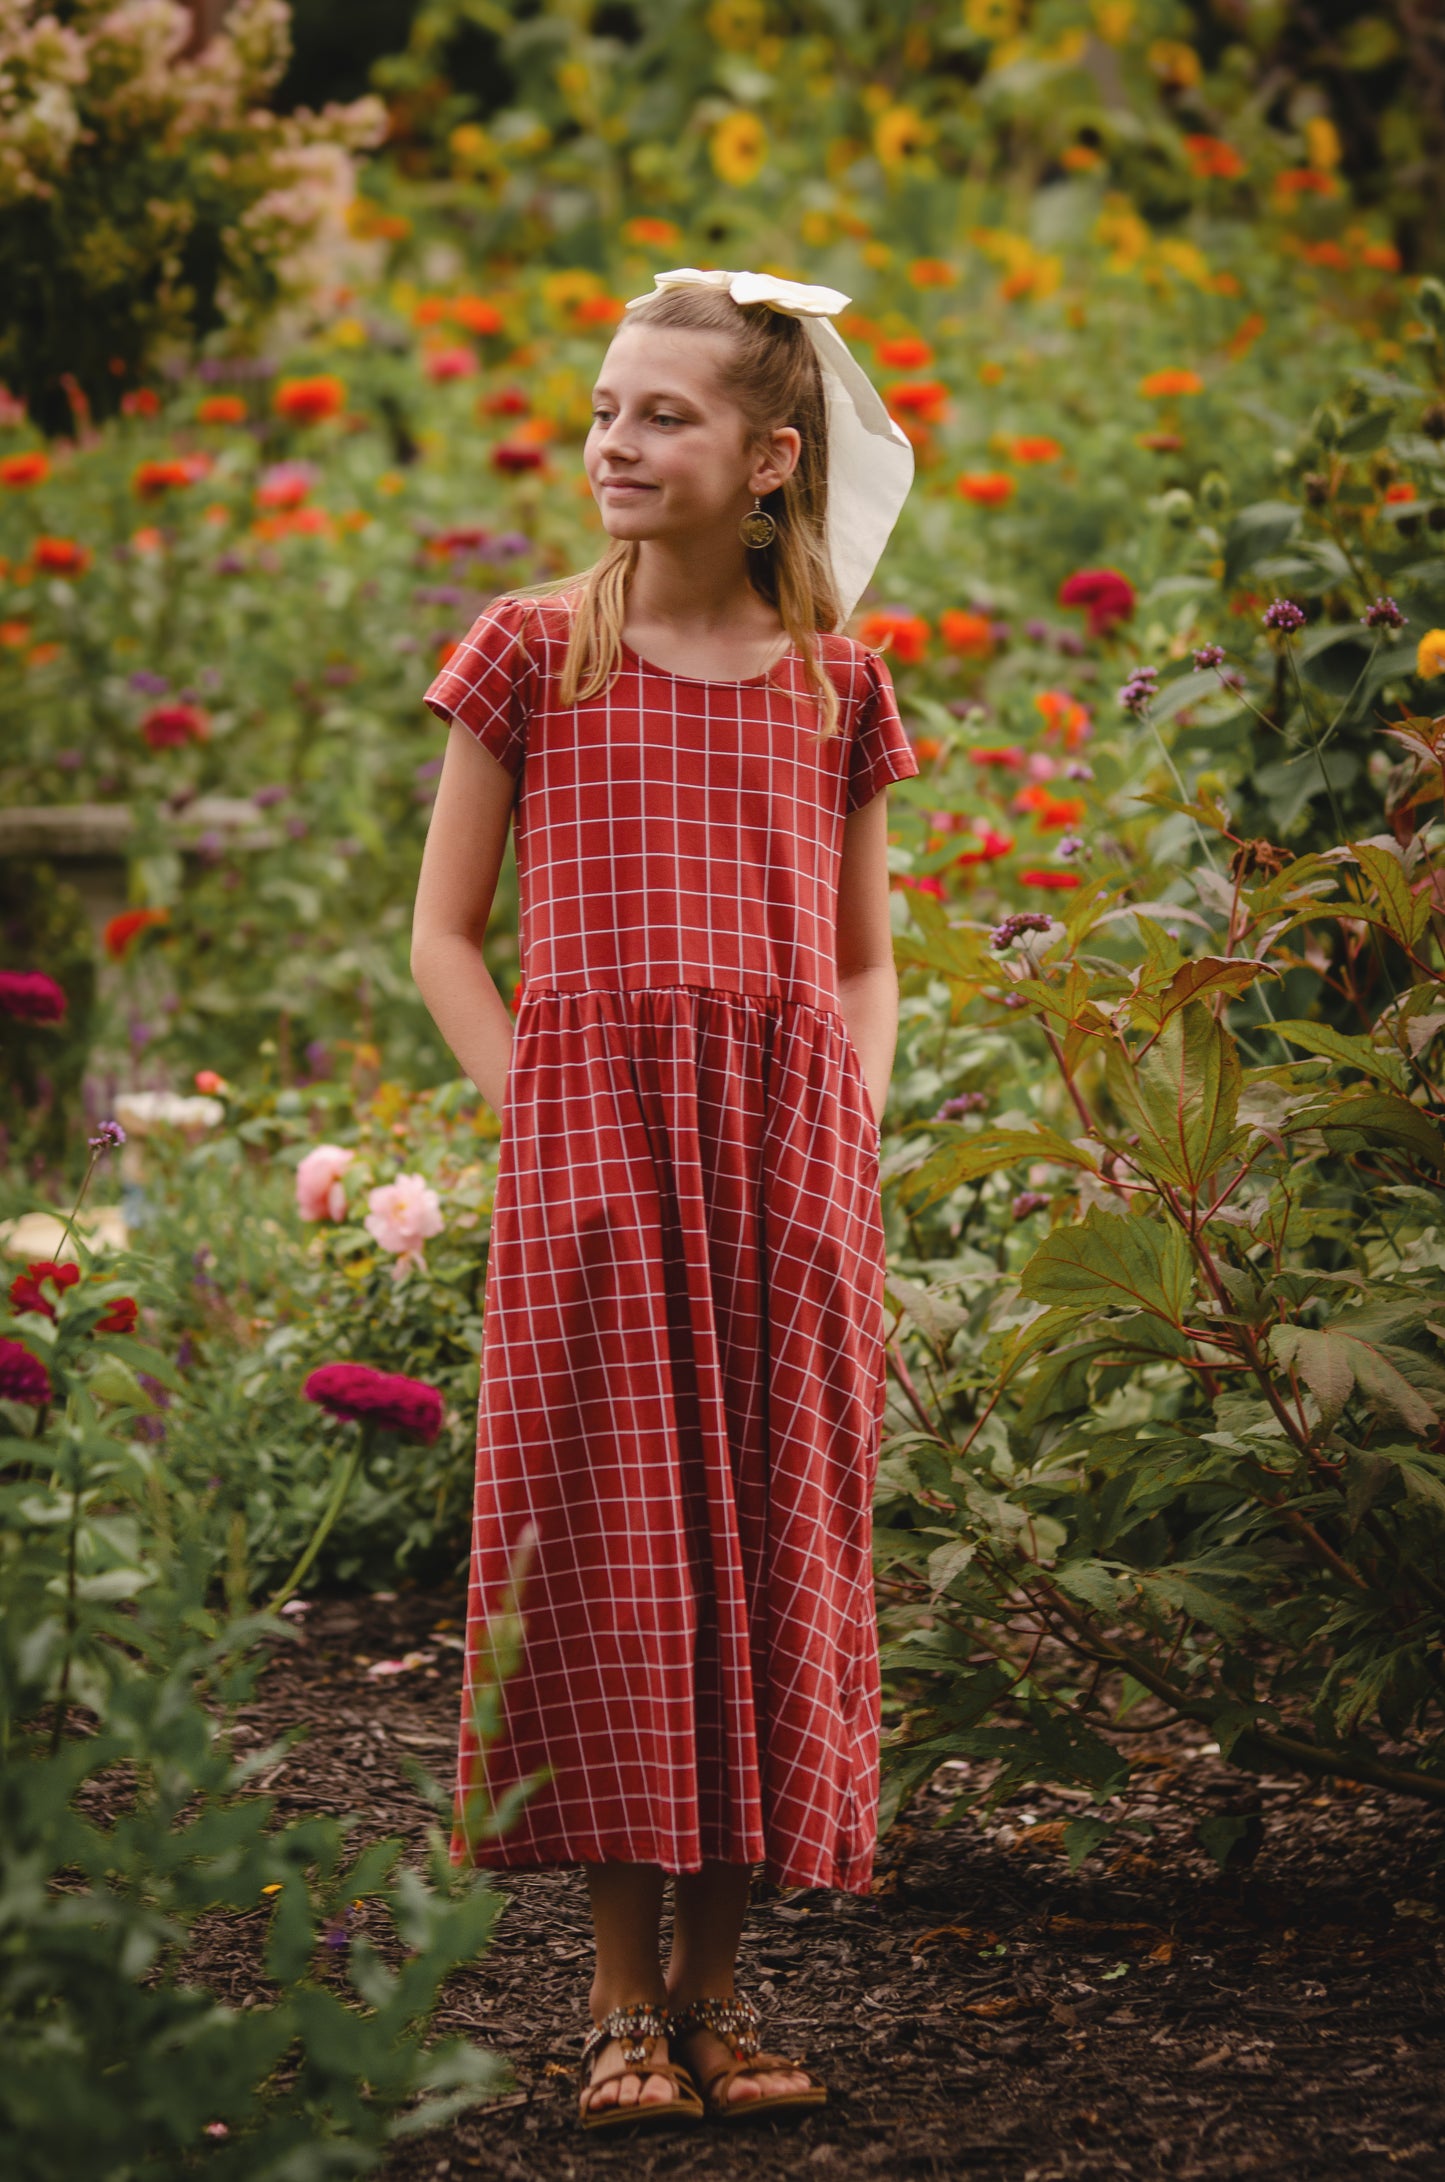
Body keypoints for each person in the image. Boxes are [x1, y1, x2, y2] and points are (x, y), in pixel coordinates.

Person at [410, 266, 919, 2135]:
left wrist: (840, 1138)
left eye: (663, 416)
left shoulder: (836, 683)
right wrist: (549, 1122)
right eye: (606, 408)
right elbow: (445, 941)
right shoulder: (538, 652)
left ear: (771, 459)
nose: (614, 442)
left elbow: (861, 966)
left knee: (768, 1564)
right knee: (621, 1564)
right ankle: (617, 2003)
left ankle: (721, 1993)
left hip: (784, 1185)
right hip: (593, 1178)